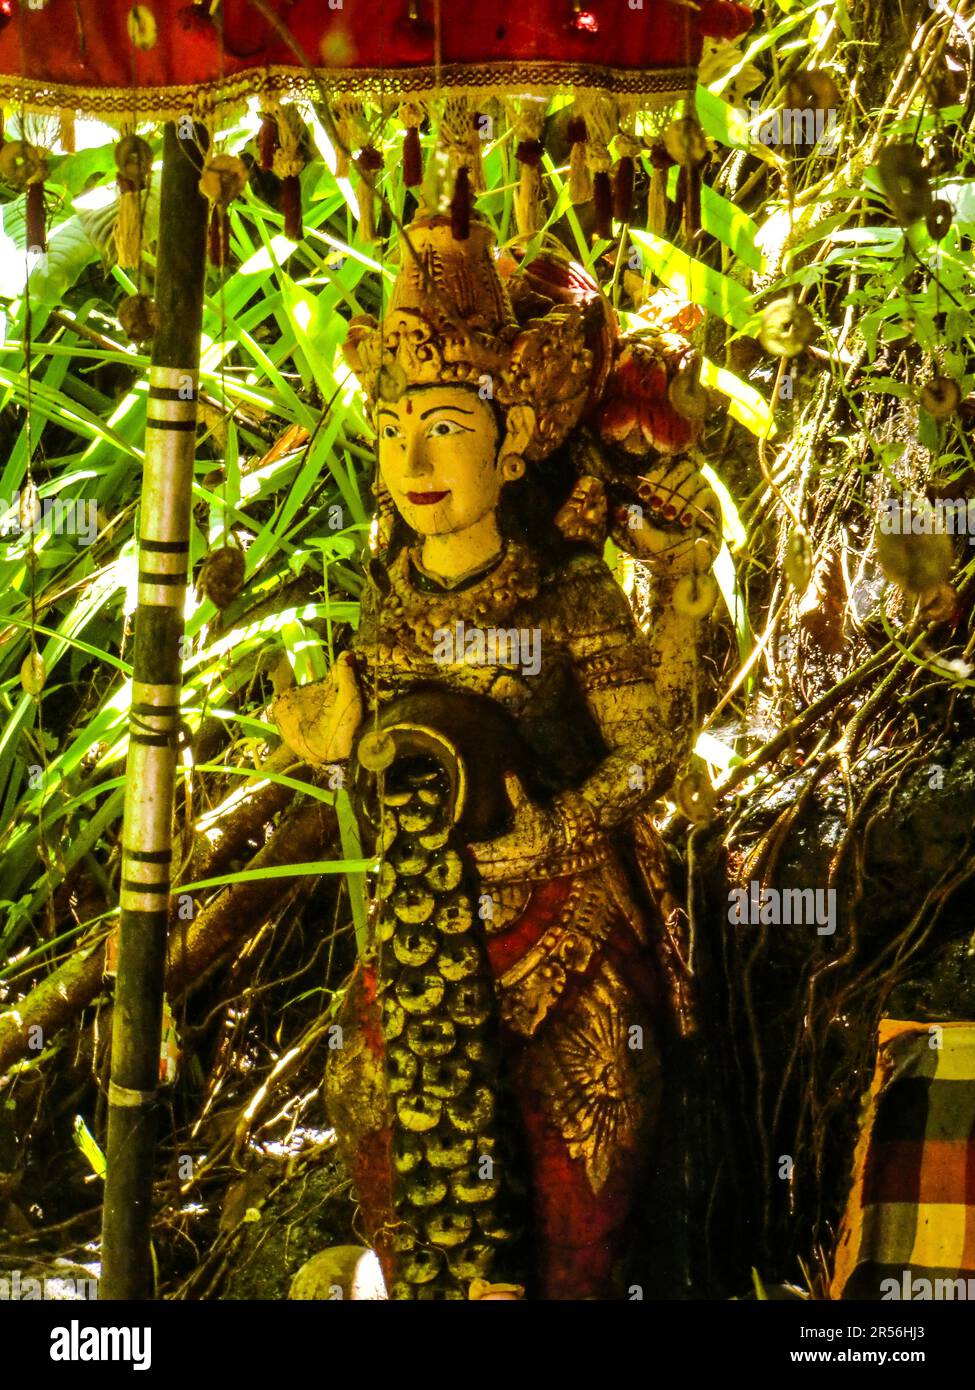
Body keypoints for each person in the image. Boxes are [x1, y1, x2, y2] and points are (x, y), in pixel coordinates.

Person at [274, 211, 721, 1299]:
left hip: (563, 920)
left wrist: (555, 829)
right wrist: (325, 726)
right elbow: (362, 734)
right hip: (430, 922)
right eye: (391, 428)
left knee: (584, 1133)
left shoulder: (568, 595)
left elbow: (651, 749)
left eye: (443, 424)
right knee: (374, 1099)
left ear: (514, 430)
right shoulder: (390, 599)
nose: (412, 460)